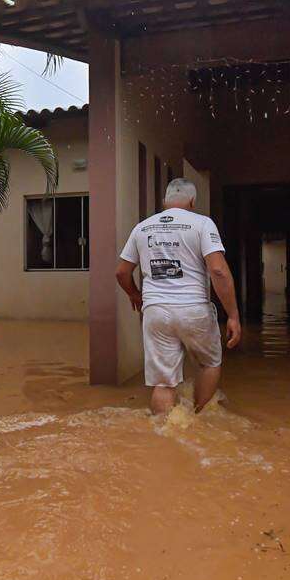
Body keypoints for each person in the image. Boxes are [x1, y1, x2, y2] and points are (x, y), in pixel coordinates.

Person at [115, 178, 241, 415]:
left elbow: (121, 272)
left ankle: (163, 438)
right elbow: (218, 270)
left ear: (165, 202)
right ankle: (193, 419)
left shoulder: (142, 228)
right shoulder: (202, 224)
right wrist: (233, 315)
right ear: (192, 201)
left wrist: (135, 295)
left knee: (163, 382)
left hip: (155, 312)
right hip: (194, 309)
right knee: (209, 364)